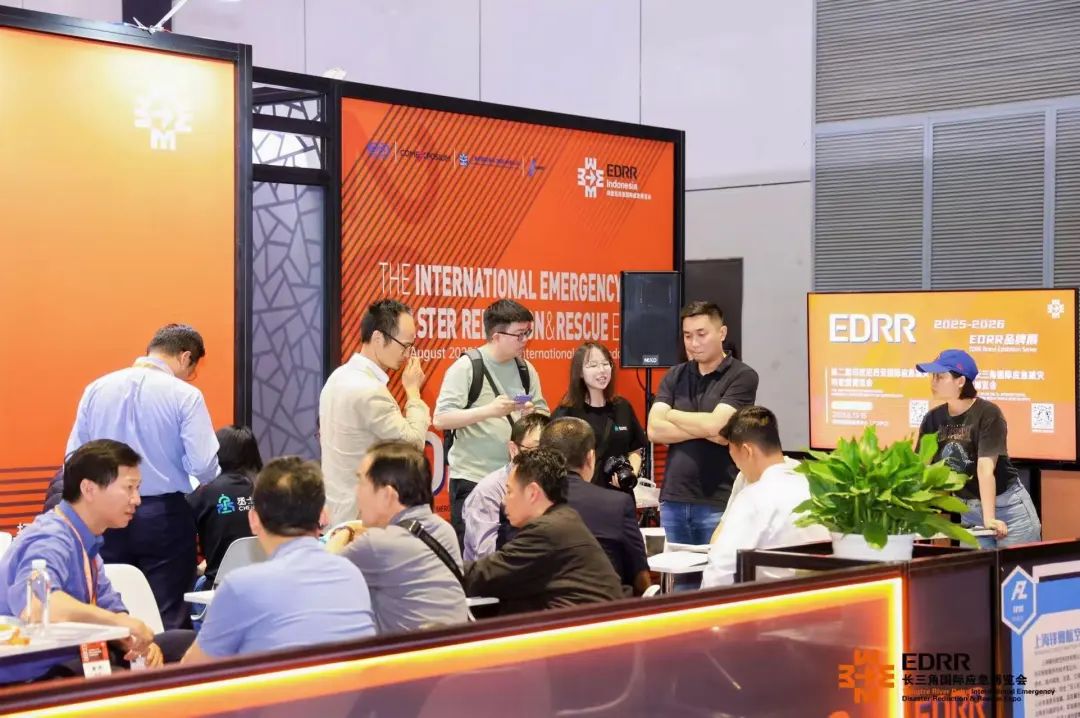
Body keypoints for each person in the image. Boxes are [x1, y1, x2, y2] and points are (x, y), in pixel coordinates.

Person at [66, 323, 219, 629]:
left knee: (110, 611)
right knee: (169, 615)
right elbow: (204, 464)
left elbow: (73, 458)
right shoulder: (185, 395)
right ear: (185, 357)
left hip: (105, 513)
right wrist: (188, 475)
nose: (190, 376)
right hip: (164, 515)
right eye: (192, 370)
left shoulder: (97, 389)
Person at [0, 440, 193, 684]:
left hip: (80, 657)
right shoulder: (50, 538)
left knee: (192, 645)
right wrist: (120, 622)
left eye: (138, 488)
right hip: (34, 674)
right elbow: (40, 607)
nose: (137, 499)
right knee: (119, 679)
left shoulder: (87, 541)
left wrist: (133, 639)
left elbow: (108, 605)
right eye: (129, 488)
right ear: (89, 489)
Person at [182, 457, 376, 663]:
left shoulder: (241, 586)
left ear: (253, 519)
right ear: (323, 516)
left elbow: (194, 668)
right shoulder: (352, 574)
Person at [434, 299, 549, 547]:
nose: (525, 340)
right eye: (519, 334)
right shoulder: (467, 367)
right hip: (473, 479)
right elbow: (441, 418)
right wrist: (488, 411)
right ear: (496, 336)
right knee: (476, 554)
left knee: (514, 553)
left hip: (516, 481)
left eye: (528, 332)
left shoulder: (525, 369)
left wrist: (532, 414)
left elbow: (543, 414)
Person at [325, 441, 469, 634]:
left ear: (387, 495)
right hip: (454, 649)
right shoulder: (444, 530)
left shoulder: (377, 545)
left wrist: (343, 532)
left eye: (361, 482)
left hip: (410, 652)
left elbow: (320, 577)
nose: (357, 492)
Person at [647, 301, 759, 548]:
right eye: (688, 336)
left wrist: (672, 414)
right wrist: (707, 426)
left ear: (722, 333)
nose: (694, 343)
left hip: (718, 500)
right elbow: (654, 429)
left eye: (701, 334)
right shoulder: (675, 375)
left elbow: (718, 427)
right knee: (673, 572)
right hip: (673, 500)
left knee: (717, 569)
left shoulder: (742, 376)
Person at [463, 449, 623, 614]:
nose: (503, 501)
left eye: (509, 491)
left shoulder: (547, 531)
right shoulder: (562, 520)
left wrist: (445, 569)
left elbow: (483, 576)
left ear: (532, 493)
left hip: (581, 627)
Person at [916, 349, 1042, 548]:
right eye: (933, 376)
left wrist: (989, 518)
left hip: (1008, 509)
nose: (933, 382)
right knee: (977, 569)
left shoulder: (988, 413)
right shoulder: (932, 419)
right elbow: (922, 469)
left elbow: (985, 468)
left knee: (1017, 568)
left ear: (960, 381)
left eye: (940, 376)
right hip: (969, 512)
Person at [320, 299, 430, 527]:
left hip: (336, 512)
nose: (408, 354)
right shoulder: (370, 390)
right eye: (405, 345)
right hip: (361, 519)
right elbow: (413, 447)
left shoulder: (338, 377)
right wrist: (413, 393)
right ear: (378, 338)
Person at [700, 407, 829, 588]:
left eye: (735, 460)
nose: (738, 467)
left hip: (771, 599)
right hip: (822, 597)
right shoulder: (815, 486)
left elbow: (720, 574)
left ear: (747, 451)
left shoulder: (753, 498)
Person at [539, 418, 651, 595]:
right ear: (591, 458)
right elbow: (640, 577)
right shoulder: (617, 504)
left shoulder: (523, 503)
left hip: (538, 608)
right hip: (604, 606)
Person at [552, 342, 646, 492]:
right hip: (583, 496)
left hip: (619, 495)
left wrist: (630, 473)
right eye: (593, 365)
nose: (601, 370)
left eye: (605, 364)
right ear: (580, 372)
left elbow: (635, 450)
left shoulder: (622, 407)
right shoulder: (567, 413)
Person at [462, 413, 550, 561]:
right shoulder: (488, 492)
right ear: (514, 449)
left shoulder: (552, 484)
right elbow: (486, 557)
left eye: (549, 450)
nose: (543, 457)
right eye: (536, 449)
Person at [187, 425, 263, 587]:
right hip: (266, 585)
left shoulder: (204, 492)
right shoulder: (270, 491)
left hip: (219, 589)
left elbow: (181, 545)